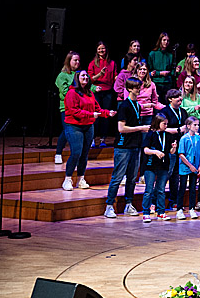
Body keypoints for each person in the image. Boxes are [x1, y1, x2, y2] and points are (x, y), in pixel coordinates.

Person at [104, 77, 149, 218]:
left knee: (132, 178)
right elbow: (121, 128)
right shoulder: (124, 106)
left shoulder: (137, 105)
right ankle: (109, 206)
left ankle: (129, 204)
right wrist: (141, 128)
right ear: (129, 89)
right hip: (123, 146)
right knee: (118, 177)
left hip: (135, 145)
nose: (139, 89)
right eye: (136, 87)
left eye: (139, 87)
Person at [62, 70, 113, 190]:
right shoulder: (72, 93)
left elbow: (97, 109)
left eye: (86, 75)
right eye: (82, 75)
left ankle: (81, 179)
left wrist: (107, 113)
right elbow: (73, 111)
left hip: (88, 126)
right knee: (76, 153)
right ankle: (67, 179)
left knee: (84, 154)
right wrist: (91, 114)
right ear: (77, 78)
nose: (85, 77)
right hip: (74, 126)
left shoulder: (90, 93)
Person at [142, 114, 174, 222]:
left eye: (166, 124)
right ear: (157, 123)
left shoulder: (168, 136)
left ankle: (161, 212)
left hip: (163, 166)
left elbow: (171, 152)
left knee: (161, 190)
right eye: (164, 124)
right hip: (150, 166)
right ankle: (146, 212)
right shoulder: (151, 135)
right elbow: (145, 150)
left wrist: (173, 148)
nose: (166, 126)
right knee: (149, 190)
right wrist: (155, 152)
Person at [88, 42, 116, 147]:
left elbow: (114, 77)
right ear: (96, 50)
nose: (101, 51)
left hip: (108, 91)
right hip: (96, 92)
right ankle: (92, 139)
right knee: (96, 116)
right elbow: (89, 79)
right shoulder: (93, 63)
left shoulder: (112, 63)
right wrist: (100, 74)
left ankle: (103, 139)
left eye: (103, 48)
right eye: (99, 49)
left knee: (106, 116)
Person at [54, 51, 80, 163]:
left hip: (79, 108)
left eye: (79, 60)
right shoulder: (62, 75)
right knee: (67, 130)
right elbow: (64, 92)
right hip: (66, 107)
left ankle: (77, 154)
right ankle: (58, 153)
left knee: (77, 131)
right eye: (75, 60)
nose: (77, 62)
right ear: (69, 61)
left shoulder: (79, 74)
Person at [175, 116, 200, 220]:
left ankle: (191, 208)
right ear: (188, 126)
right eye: (194, 125)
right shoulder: (184, 138)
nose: (197, 127)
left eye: (198, 125)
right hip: (185, 166)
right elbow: (181, 154)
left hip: (195, 167)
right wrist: (190, 166)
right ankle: (179, 209)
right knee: (182, 188)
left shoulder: (198, 138)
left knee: (192, 188)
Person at [146, 32, 177, 96]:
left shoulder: (170, 55)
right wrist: (159, 73)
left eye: (168, 41)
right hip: (156, 83)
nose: (166, 42)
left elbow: (172, 69)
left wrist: (175, 70)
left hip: (168, 83)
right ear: (160, 40)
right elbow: (149, 70)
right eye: (164, 40)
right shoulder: (152, 54)